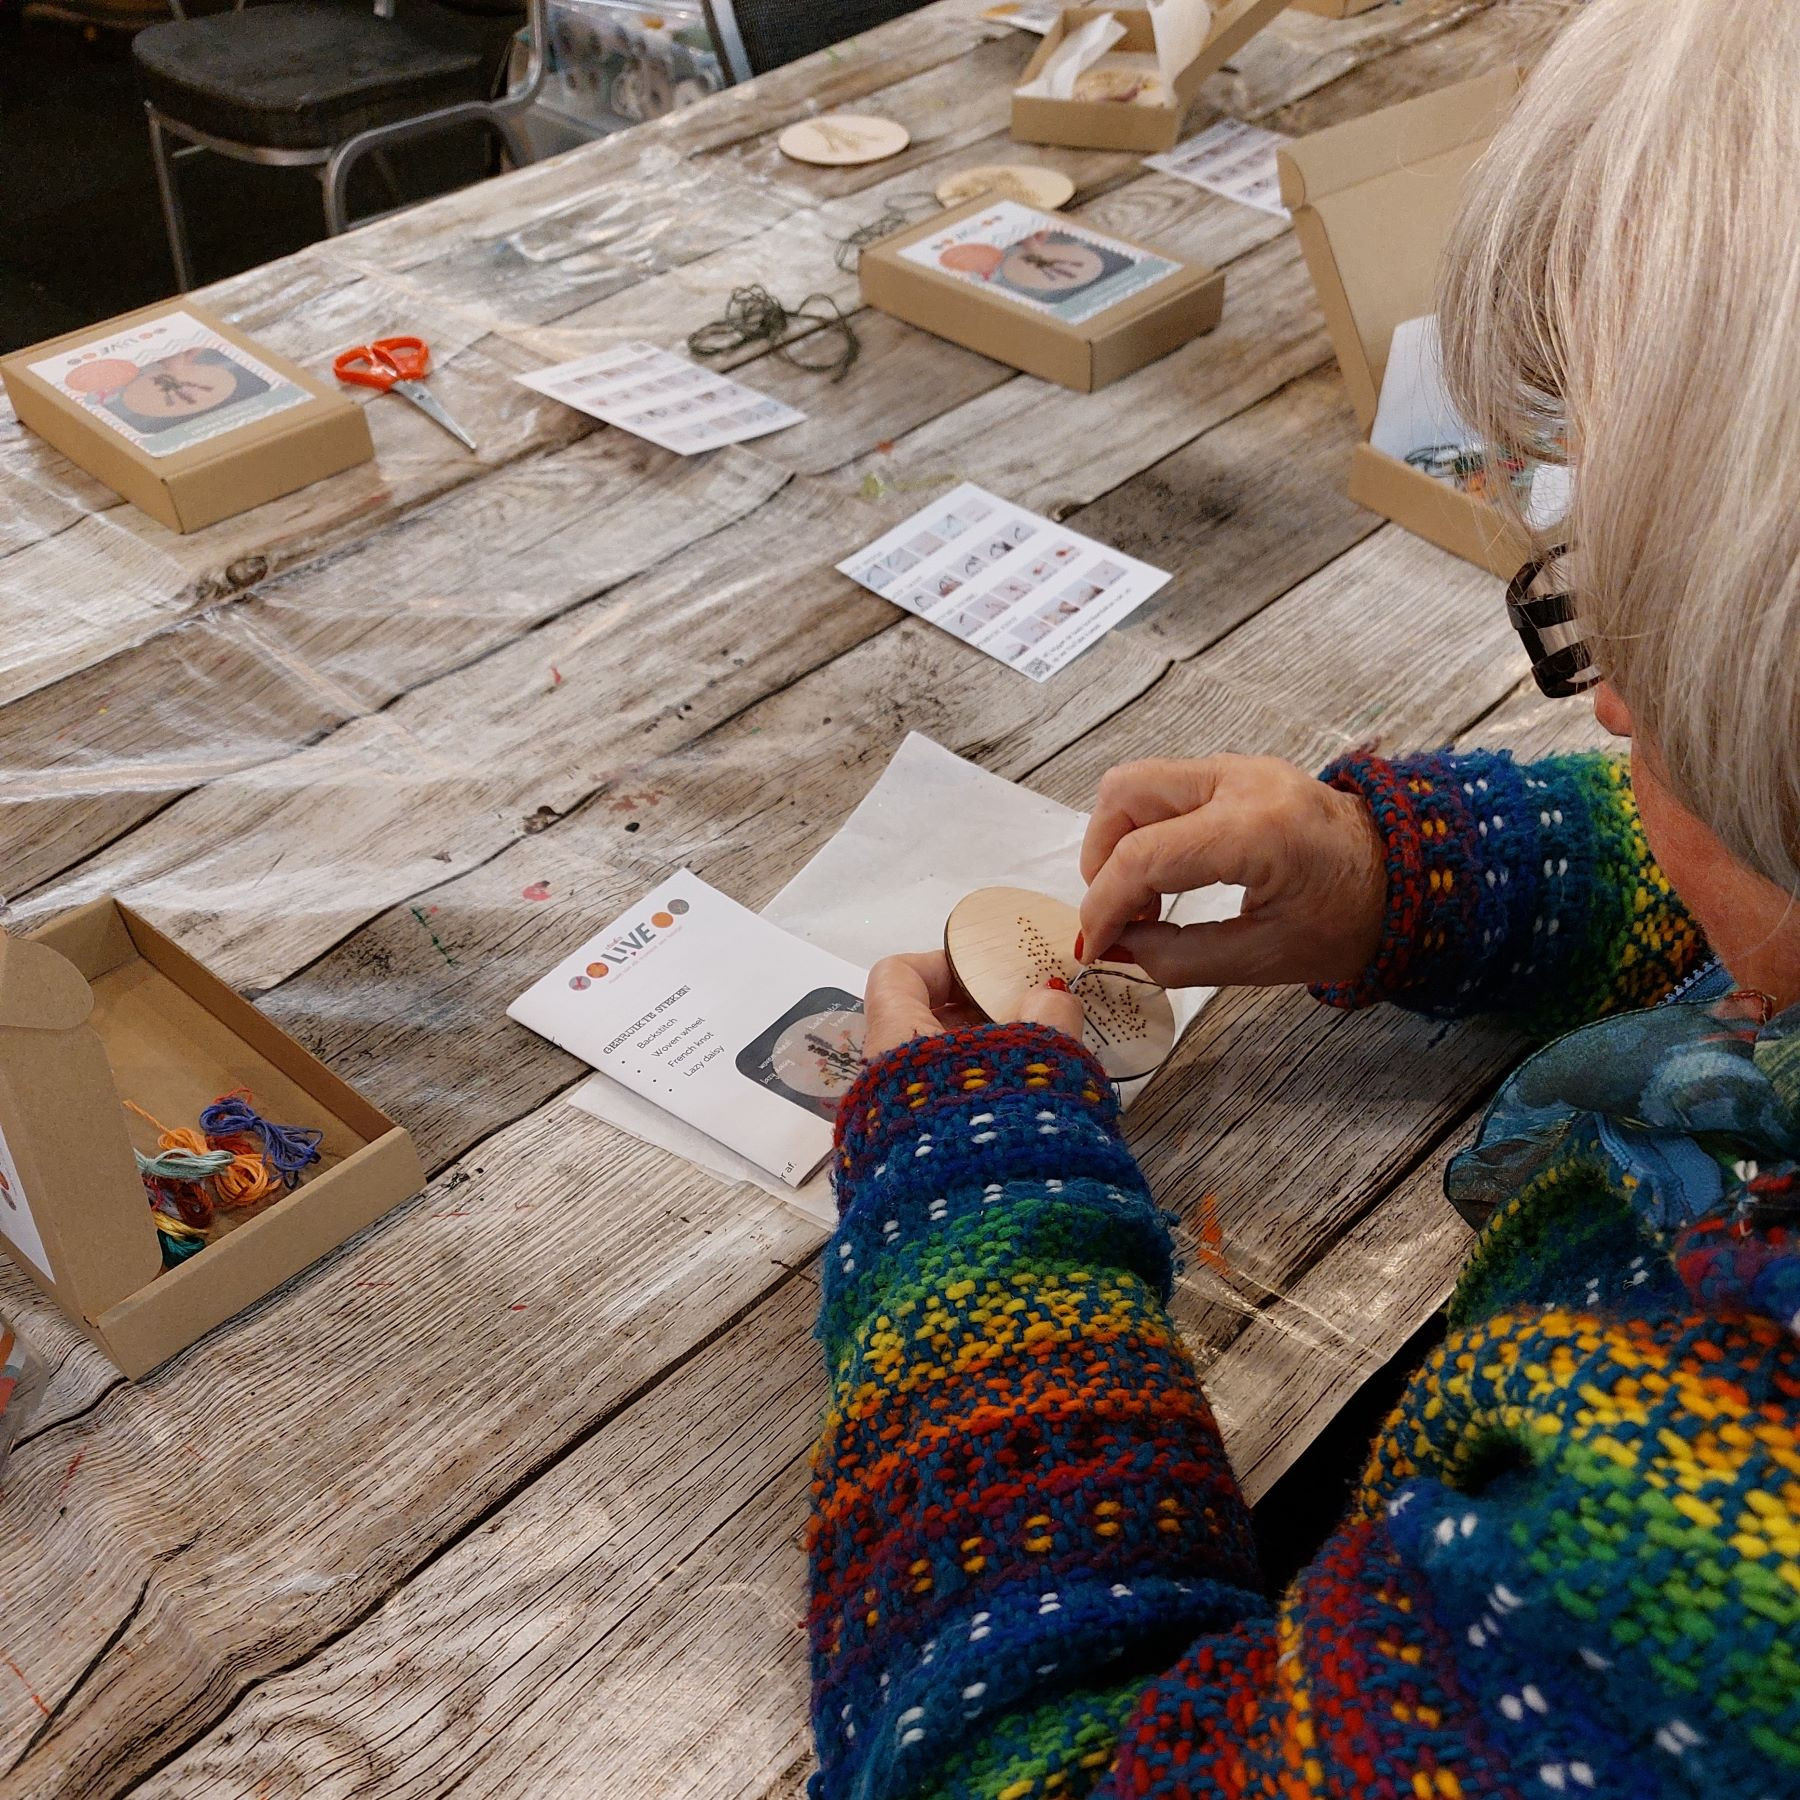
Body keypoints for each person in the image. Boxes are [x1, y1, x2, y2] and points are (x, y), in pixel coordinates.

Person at [805, 0, 1800, 1793]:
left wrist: (977, 1220)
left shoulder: (1726, 1552)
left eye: (1647, 623)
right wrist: (1407, 878)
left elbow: (1026, 1772)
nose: (1617, 710)